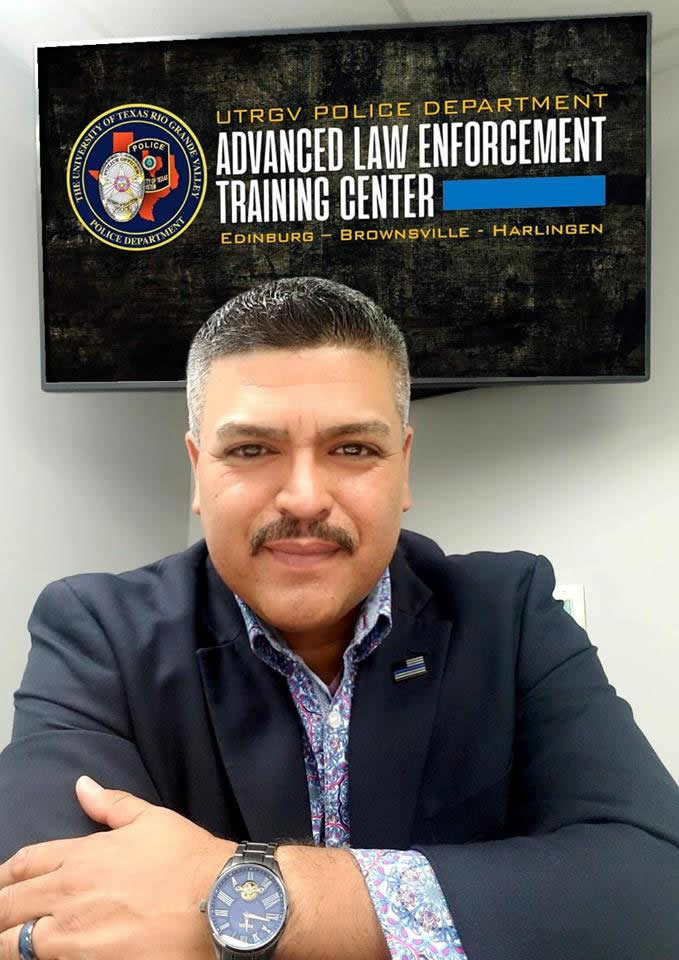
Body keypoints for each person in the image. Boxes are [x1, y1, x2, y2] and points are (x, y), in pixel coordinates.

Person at [0, 276, 678, 960]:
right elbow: (43, 917)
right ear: (197, 470)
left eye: (352, 448)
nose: (302, 496)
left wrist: (246, 897)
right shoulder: (95, 633)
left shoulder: (509, 612)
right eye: (250, 450)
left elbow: (653, 885)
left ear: (402, 467)